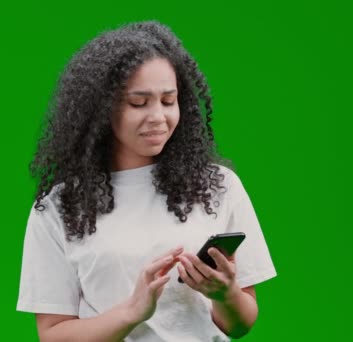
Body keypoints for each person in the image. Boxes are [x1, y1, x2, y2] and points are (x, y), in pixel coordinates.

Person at [16, 20, 277, 341]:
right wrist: (131, 313)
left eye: (169, 101)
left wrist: (224, 293)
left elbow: (240, 324)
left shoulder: (219, 187)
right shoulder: (60, 206)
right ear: (101, 110)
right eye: (138, 103)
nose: (158, 117)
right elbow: (53, 334)